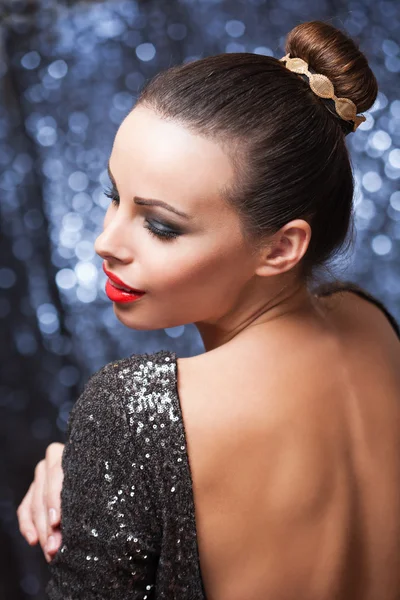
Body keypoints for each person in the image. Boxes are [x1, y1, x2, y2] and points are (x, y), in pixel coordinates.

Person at [17, 19, 400, 600]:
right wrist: (102, 478)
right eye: (112, 197)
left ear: (280, 247)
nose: (105, 243)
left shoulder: (133, 409)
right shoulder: (371, 324)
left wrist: (112, 455)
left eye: (161, 226)